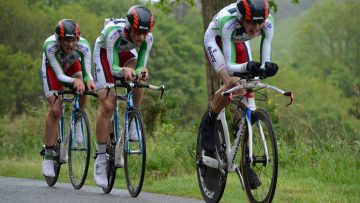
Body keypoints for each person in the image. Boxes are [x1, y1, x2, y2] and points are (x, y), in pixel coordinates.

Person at [201, 0, 279, 189]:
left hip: (240, 41)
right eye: (252, 22)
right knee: (232, 82)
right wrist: (245, 67)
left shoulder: (267, 22)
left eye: (260, 23)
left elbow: (264, 58)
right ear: (242, 18)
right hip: (217, 40)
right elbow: (229, 65)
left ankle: (244, 158)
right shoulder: (229, 22)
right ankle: (209, 121)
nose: (257, 27)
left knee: (248, 85)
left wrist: (266, 67)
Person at [93, 5, 154, 187]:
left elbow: (141, 63)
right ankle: (101, 157)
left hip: (126, 52)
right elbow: (113, 68)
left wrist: (141, 71)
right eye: (138, 32)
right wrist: (123, 70)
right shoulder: (113, 32)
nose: (142, 37)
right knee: (108, 104)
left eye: (145, 33)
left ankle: (133, 117)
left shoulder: (147, 38)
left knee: (137, 78)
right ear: (129, 26)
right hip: (105, 54)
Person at [41, 19, 96, 177]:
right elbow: (59, 76)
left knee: (83, 88)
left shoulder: (84, 46)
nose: (71, 45)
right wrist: (74, 81)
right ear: (59, 39)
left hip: (72, 65)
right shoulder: (49, 46)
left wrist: (88, 81)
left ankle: (78, 119)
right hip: (53, 69)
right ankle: (48, 155)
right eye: (66, 40)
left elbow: (86, 74)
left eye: (74, 40)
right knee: (56, 110)